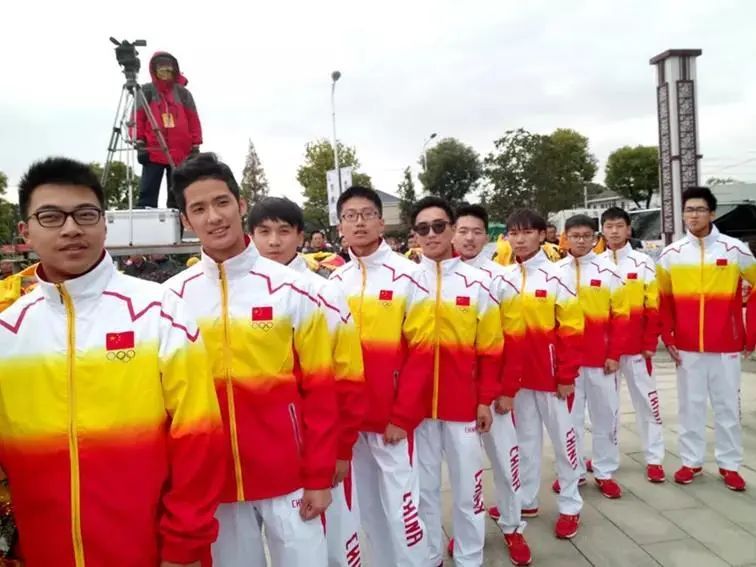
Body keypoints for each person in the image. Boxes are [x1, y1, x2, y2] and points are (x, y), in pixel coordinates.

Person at [0, 157, 224, 566]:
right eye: (51, 217)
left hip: (152, 552)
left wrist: (185, 546)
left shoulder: (159, 310)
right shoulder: (8, 331)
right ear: (25, 231)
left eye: (85, 214)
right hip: (43, 552)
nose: (71, 228)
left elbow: (200, 438)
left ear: (105, 224)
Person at [164, 154, 338, 566]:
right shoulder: (171, 299)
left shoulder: (295, 289)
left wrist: (319, 475)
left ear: (240, 204)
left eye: (222, 202)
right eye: (199, 209)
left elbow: (320, 388)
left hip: (289, 479)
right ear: (186, 221)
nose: (214, 217)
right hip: (216, 488)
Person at [247, 196, 367, 567]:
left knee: (334, 540)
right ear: (251, 235)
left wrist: (342, 447)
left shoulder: (322, 291)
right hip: (267, 451)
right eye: (264, 232)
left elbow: (347, 374)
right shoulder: (239, 292)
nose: (273, 241)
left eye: (284, 231)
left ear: (300, 236)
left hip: (319, 443)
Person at [409, 197, 523, 567]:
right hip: (417, 409)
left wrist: (485, 398)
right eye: (423, 228)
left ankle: (470, 557)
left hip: (463, 406)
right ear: (414, 234)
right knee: (423, 490)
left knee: (467, 488)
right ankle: (429, 556)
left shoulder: (480, 283)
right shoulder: (404, 281)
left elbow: (491, 348)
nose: (431, 234)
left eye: (439, 226)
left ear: (450, 230)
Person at [329, 186, 432, 567]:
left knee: (403, 512)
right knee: (367, 510)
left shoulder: (410, 276)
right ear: (340, 226)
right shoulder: (334, 282)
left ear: (381, 222)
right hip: (351, 422)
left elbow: (423, 352)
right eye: (350, 216)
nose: (359, 222)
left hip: (392, 422)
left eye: (367, 214)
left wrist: (402, 417)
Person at [657, 186, 756, 491]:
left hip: (726, 345)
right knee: (690, 406)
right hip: (687, 346)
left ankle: (730, 465)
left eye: (700, 210)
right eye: (689, 210)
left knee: (727, 407)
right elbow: (664, 299)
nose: (694, 215)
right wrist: (668, 336)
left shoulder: (734, 249)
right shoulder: (671, 254)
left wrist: (749, 331)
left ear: (712, 213)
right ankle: (691, 461)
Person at [451, 204, 531, 565]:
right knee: (462, 469)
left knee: (503, 458)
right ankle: (468, 533)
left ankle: (513, 526)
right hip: (455, 393)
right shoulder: (437, 276)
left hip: (495, 390)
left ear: (487, 236)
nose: (469, 238)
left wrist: (508, 389)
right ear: (453, 233)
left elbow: (515, 338)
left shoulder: (502, 278)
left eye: (476, 232)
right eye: (463, 231)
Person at [506, 209, 584, 539]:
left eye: (527, 232)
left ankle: (570, 504)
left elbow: (572, 327)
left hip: (553, 378)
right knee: (524, 441)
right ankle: (526, 499)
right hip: (518, 379)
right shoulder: (504, 277)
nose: (520, 239)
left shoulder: (558, 276)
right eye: (514, 233)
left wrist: (566, 374)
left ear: (542, 235)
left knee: (564, 441)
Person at [556, 215, 629, 498]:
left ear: (595, 238)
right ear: (565, 238)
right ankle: (571, 471)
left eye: (587, 235)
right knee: (569, 420)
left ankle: (604, 470)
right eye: (575, 236)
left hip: (601, 361)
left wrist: (614, 354)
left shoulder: (609, 271)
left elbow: (621, 316)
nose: (581, 241)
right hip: (567, 363)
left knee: (605, 416)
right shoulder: (555, 272)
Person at [600, 207, 666, 483]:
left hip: (638, 349)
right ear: (602, 230)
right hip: (605, 352)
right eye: (609, 226)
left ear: (628, 229)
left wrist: (650, 342)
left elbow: (653, 306)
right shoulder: (596, 263)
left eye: (619, 226)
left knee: (647, 403)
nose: (614, 231)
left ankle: (654, 458)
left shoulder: (643, 263)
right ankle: (605, 458)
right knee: (606, 407)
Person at [136, 51, 202, 209]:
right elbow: (137, 118)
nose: (165, 69)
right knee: (147, 194)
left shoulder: (183, 93)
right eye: (161, 66)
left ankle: (177, 223)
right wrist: (139, 141)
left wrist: (196, 144)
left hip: (181, 152)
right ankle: (145, 223)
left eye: (168, 66)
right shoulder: (146, 91)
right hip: (153, 150)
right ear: (154, 68)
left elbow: (193, 119)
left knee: (177, 196)